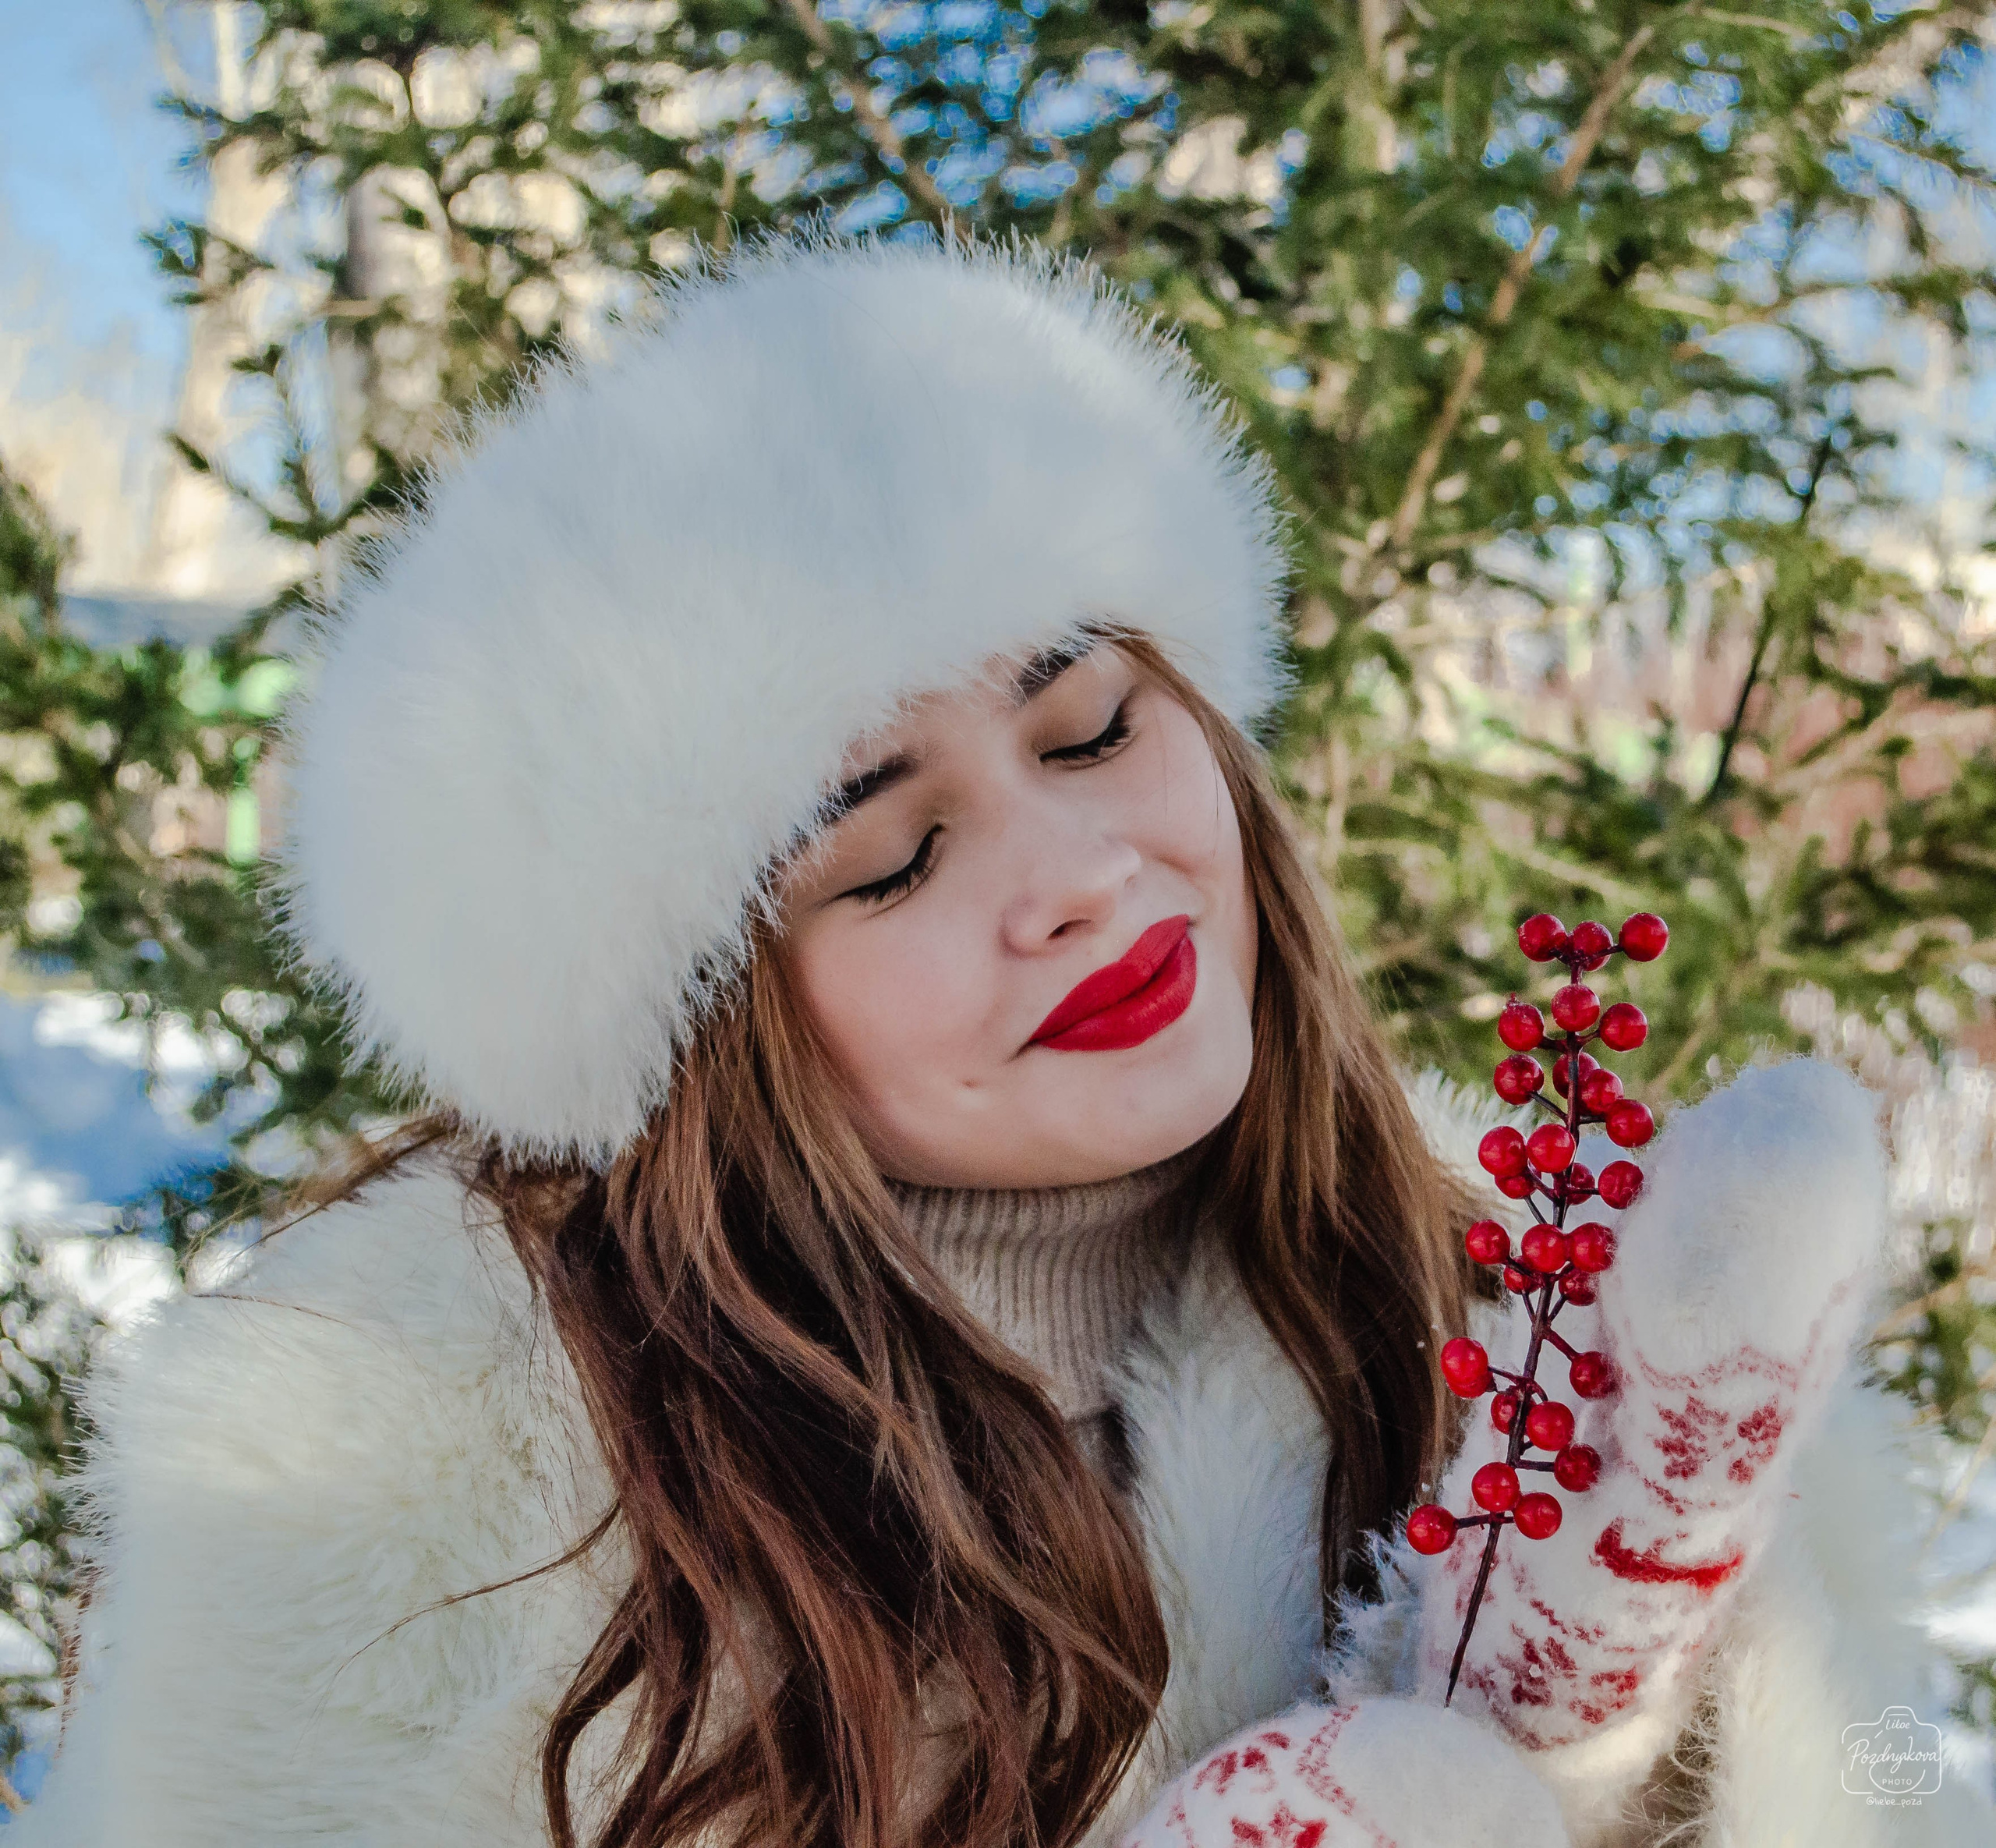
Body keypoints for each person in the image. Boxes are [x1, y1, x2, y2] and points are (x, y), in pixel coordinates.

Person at [16, 237, 1982, 1848]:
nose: (1073, 873)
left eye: (1091, 729)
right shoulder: (392, 1486)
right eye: (884, 860)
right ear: (703, 1035)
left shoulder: (1541, 1312)